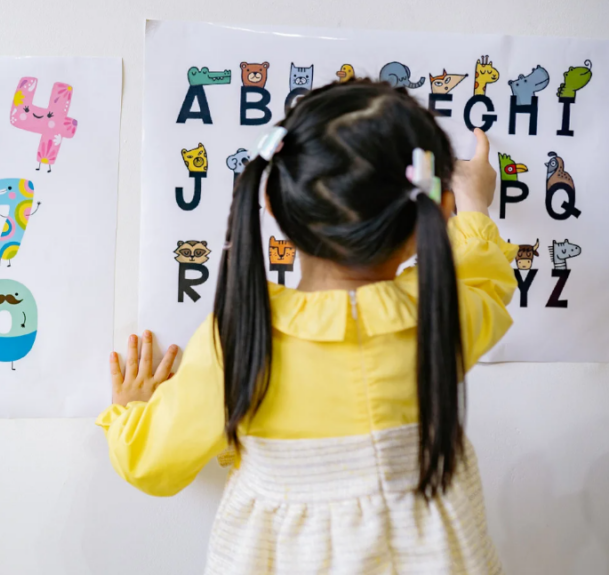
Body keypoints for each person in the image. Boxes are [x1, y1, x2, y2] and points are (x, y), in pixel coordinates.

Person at [97, 80, 516, 574]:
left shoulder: (239, 337)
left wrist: (129, 413)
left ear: (273, 205)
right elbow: (484, 279)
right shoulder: (441, 313)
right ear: (435, 211)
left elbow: (153, 462)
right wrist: (474, 207)